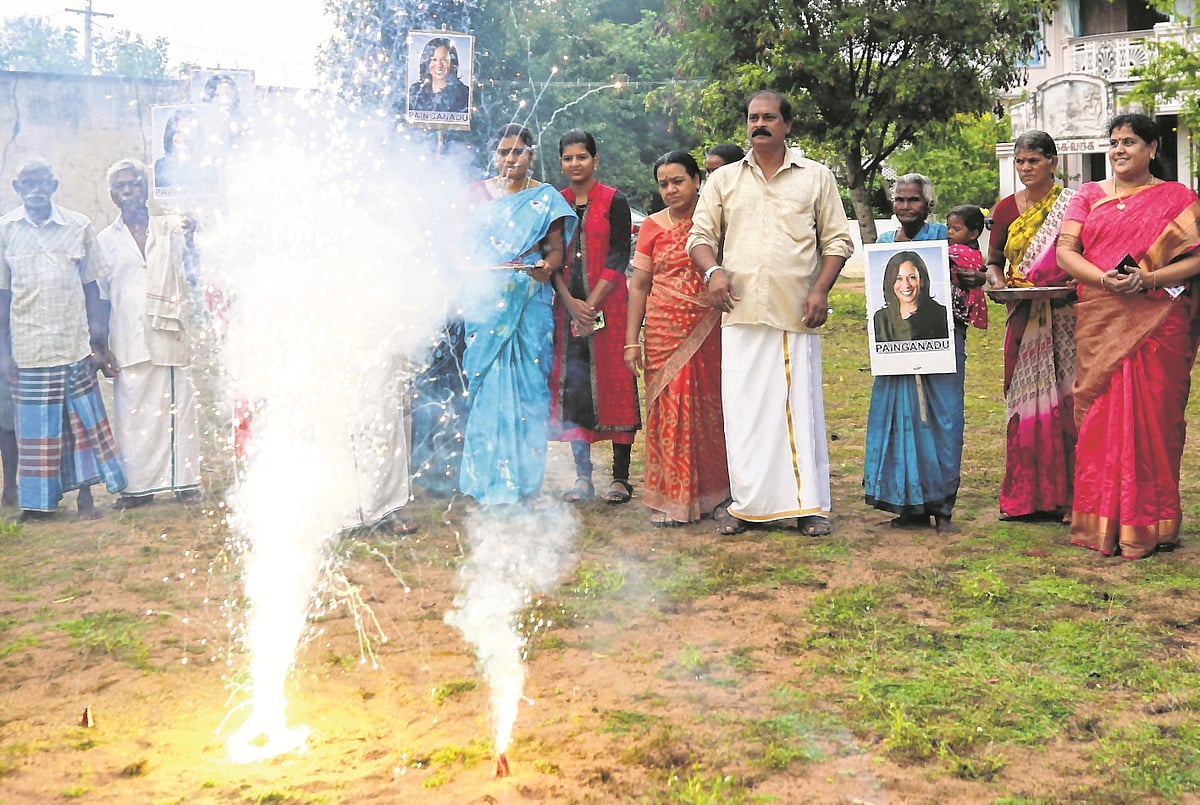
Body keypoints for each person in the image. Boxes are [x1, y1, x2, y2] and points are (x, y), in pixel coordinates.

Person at [688, 90, 854, 537]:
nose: (759, 124)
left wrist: (820, 290)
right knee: (744, 414)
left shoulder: (816, 177)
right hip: (739, 312)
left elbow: (837, 241)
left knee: (797, 411)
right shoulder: (724, 181)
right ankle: (748, 505)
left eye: (768, 117)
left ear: (787, 125)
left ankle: (808, 506)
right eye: (752, 118)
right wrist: (713, 272)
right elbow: (700, 237)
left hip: (794, 311)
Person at [1055, 113, 1200, 559]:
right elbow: (1065, 252)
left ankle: (1149, 523)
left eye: (1130, 142)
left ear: (1153, 149)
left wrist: (1150, 279)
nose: (1119, 150)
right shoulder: (1087, 195)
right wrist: (1104, 280)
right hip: (1102, 317)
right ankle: (1101, 521)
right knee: (1099, 420)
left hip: (1158, 323)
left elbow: (1198, 260)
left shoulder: (1178, 198)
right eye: (1114, 142)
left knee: (1156, 421)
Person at [458, 124, 578, 506]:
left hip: (529, 302)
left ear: (531, 155)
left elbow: (556, 250)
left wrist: (546, 265)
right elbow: (460, 248)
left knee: (529, 390)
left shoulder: (545, 199)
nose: (510, 159)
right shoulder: (475, 195)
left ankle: (525, 482)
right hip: (486, 302)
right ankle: (485, 480)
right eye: (503, 152)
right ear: (494, 155)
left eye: (518, 152)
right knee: (488, 389)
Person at [0, 158, 126, 520]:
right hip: (28, 347)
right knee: (36, 433)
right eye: (28, 184)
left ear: (54, 187)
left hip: (73, 343)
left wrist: (98, 345)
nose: (36, 191)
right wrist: (4, 354)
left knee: (79, 426)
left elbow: (94, 291)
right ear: (17, 188)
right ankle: (38, 505)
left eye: (43, 183)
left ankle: (86, 498)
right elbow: (2, 296)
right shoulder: (5, 230)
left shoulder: (78, 225)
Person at [863, 173, 983, 535]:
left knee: (943, 421)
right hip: (895, 350)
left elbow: (976, 272)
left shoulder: (945, 239)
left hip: (941, 346)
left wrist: (974, 278)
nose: (905, 206)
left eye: (912, 200)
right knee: (899, 421)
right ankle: (908, 503)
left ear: (928, 204)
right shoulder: (884, 243)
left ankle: (942, 505)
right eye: (899, 200)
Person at [625, 151, 730, 528]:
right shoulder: (651, 227)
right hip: (662, 332)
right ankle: (671, 498)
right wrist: (630, 341)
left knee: (709, 410)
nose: (670, 189)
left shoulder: (715, 222)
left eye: (678, 181)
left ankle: (717, 494)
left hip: (708, 331)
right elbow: (639, 286)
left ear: (697, 180)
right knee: (668, 413)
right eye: (663, 183)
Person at [96, 159, 202, 509]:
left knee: (178, 408)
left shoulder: (170, 227)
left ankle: (184, 483)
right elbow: (101, 297)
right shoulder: (104, 241)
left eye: (134, 184)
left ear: (145, 188)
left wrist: (192, 231)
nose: (128, 191)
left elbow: (193, 267)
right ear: (113, 196)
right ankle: (138, 489)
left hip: (168, 331)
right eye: (121, 187)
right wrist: (99, 346)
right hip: (127, 338)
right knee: (132, 414)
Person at [984, 131, 1077, 521]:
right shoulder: (1006, 209)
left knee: (1069, 403)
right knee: (1023, 403)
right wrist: (996, 281)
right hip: (1023, 315)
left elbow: (1083, 255)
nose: (1025, 169)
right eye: (1020, 162)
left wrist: (1075, 284)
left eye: (1033, 161)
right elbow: (992, 262)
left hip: (1067, 315)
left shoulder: (1073, 205)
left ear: (1053, 163)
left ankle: (1069, 498)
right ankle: (1025, 498)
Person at [551, 129, 640, 504]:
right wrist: (571, 302)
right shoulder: (555, 202)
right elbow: (552, 255)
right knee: (575, 389)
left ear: (595, 160)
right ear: (561, 162)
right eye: (568, 158)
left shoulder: (613, 200)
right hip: (567, 310)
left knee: (616, 384)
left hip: (611, 310)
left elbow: (620, 256)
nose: (575, 164)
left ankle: (620, 477)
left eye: (582, 157)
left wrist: (593, 303)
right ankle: (582, 477)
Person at [871, 250, 950, 341]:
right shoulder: (881, 319)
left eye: (912, 277)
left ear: (922, 281)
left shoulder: (941, 314)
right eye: (898, 278)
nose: (906, 285)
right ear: (890, 282)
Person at [945, 204, 989, 333]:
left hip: (955, 304)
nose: (949, 232)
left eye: (956, 229)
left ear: (973, 233)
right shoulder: (976, 253)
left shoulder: (957, 251)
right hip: (967, 305)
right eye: (948, 228)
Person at [154, 107, 218, 193]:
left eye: (189, 132)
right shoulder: (160, 166)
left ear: (197, 136)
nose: (183, 137)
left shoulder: (210, 164)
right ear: (170, 135)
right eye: (178, 132)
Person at [407, 37, 470, 114]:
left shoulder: (465, 94)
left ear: (453, 63)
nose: (439, 66)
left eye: (444, 60)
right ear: (426, 63)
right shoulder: (415, 92)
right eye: (434, 60)